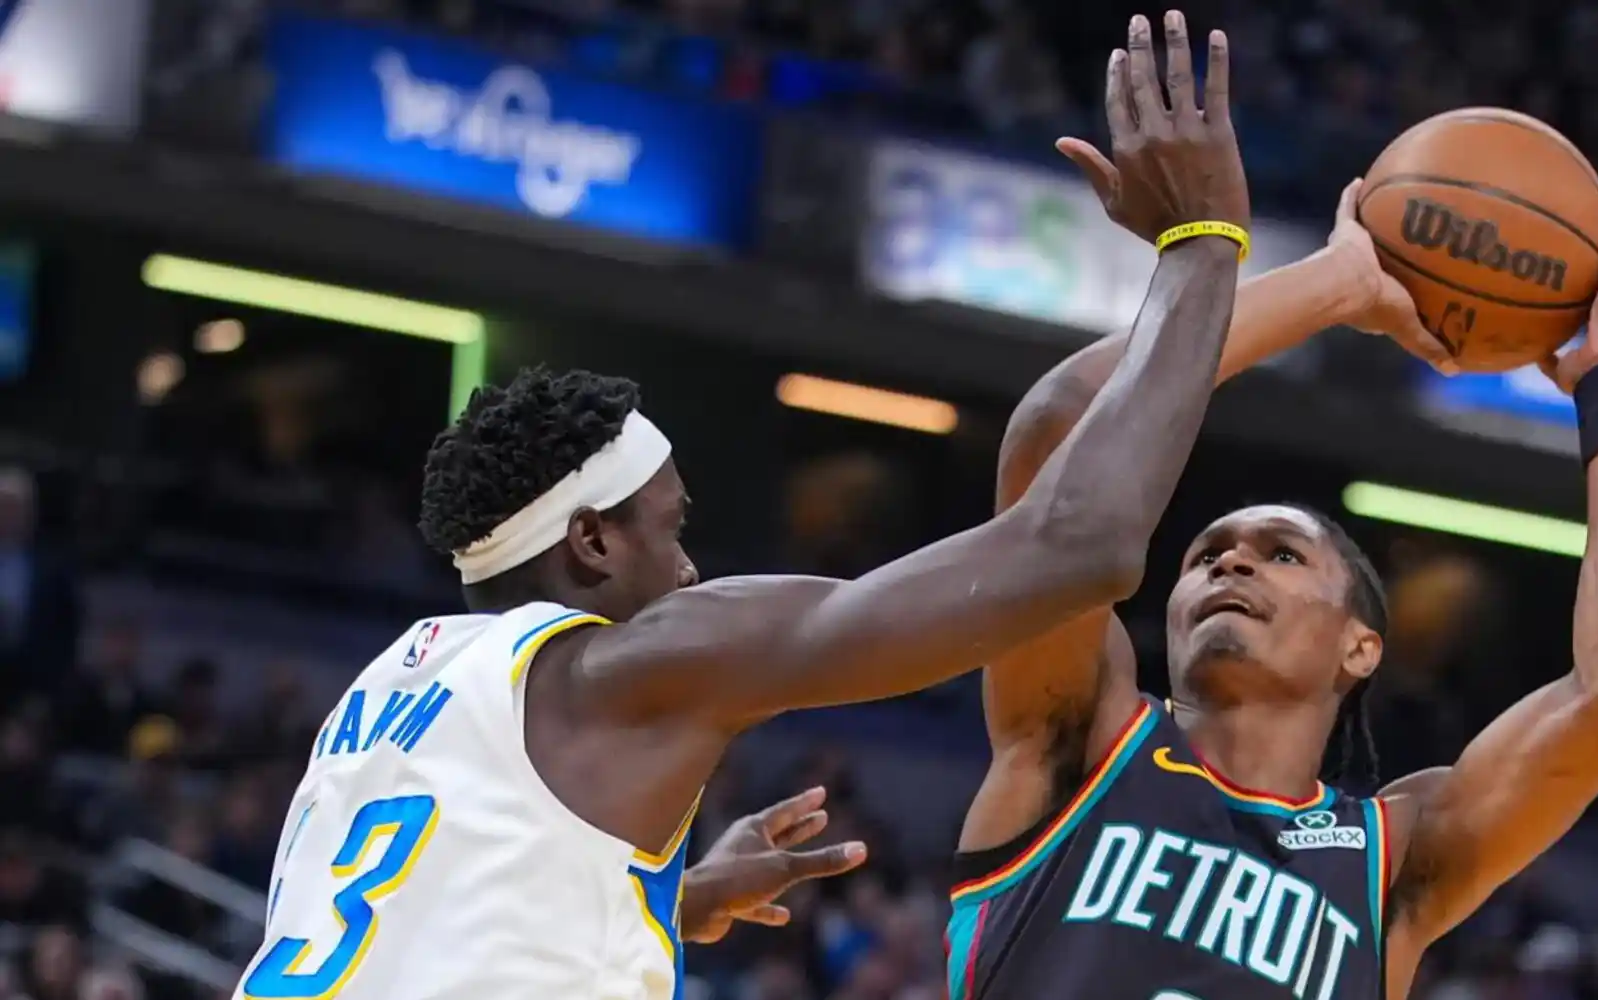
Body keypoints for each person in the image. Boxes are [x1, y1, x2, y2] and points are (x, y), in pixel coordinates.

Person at [235, 16, 1255, 998]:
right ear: (589, 540)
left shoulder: (389, 690)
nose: (685, 569)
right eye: (668, 528)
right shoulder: (630, 665)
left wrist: (658, 899)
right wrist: (1201, 244)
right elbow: (1080, 547)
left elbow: (421, 926)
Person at [946, 15, 1598, 1000]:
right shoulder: (1075, 734)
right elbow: (1058, 427)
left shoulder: (1394, 857)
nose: (1228, 562)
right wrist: (1338, 283)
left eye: (1280, 554)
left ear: (1360, 646)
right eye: (1206, 553)